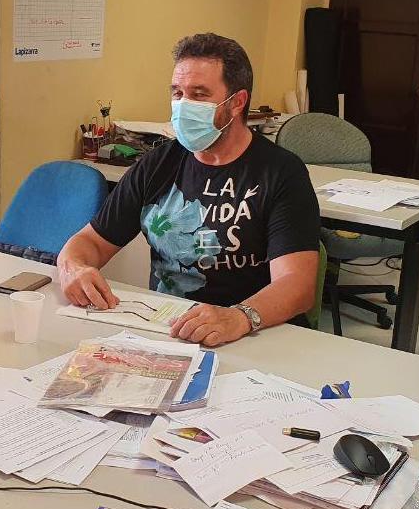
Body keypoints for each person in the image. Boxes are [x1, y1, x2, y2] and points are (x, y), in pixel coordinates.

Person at [58, 33, 320, 347]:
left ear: (237, 102)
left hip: (253, 334)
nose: (183, 106)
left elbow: (297, 284)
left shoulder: (280, 172)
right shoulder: (159, 163)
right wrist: (75, 268)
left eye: (199, 94)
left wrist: (240, 317)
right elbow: (90, 241)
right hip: (169, 331)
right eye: (177, 93)